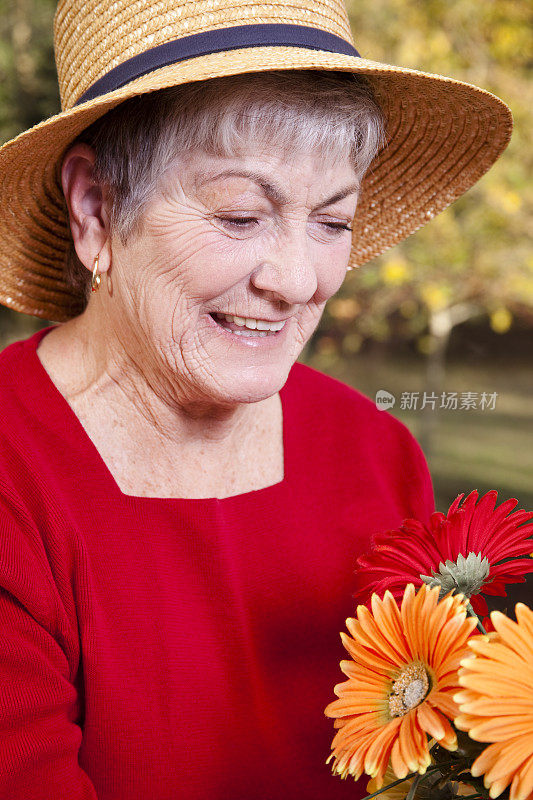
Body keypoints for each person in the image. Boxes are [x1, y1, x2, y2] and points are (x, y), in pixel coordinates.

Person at [0, 1, 512, 799]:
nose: (297, 281)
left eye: (332, 221)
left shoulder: (373, 454)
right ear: (97, 209)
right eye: (241, 216)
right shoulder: (15, 480)